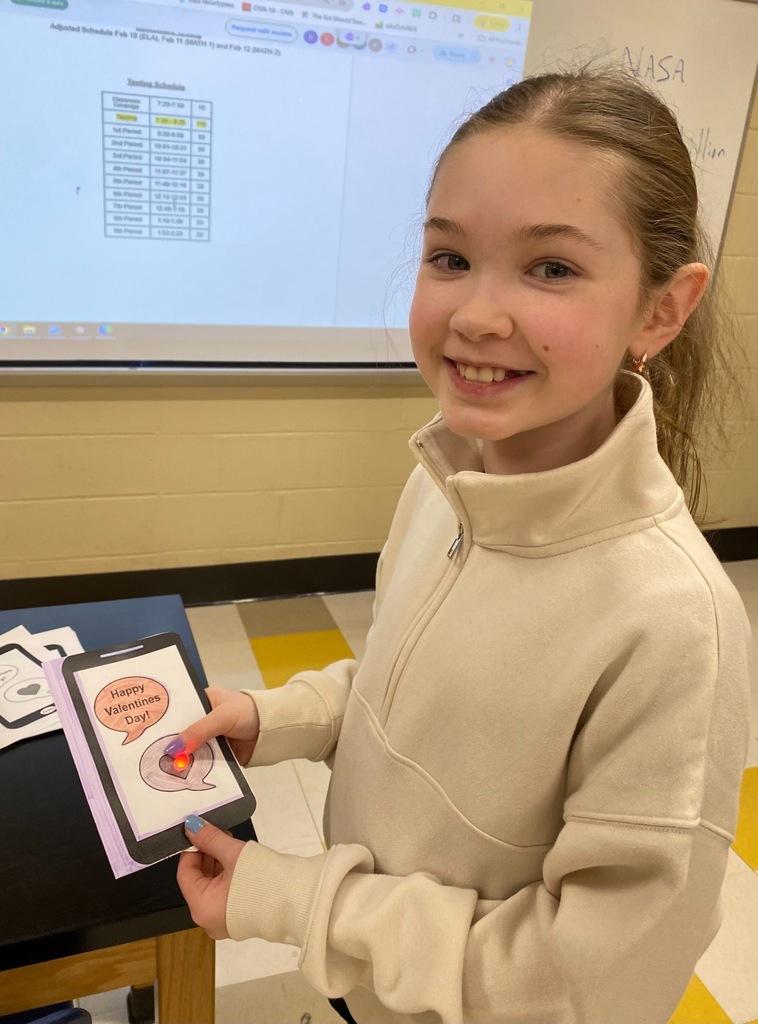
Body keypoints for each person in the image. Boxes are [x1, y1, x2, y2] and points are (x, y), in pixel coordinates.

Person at [170, 66, 752, 1024]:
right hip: (366, 985)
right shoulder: (446, 486)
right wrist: (273, 718)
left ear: (661, 309)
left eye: (551, 268)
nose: (476, 315)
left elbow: (590, 981)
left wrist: (303, 903)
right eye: (449, 257)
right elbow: (408, 690)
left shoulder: (676, 627)